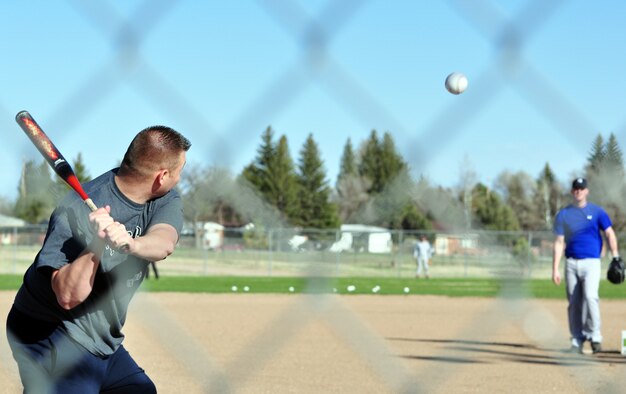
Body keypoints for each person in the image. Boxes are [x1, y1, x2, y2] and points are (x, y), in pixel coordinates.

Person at [6, 125, 191, 392]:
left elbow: (164, 242)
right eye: (180, 172)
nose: (180, 178)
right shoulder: (72, 209)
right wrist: (97, 243)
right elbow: (68, 295)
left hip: (101, 338)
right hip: (49, 329)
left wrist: (130, 242)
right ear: (162, 176)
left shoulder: (163, 198)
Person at [552, 177, 619, 355]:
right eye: (576, 188)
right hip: (571, 262)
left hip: (591, 262)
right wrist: (555, 268)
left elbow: (610, 233)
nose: (578, 191)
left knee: (590, 297)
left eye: (582, 188)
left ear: (587, 191)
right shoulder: (564, 214)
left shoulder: (597, 212)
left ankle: (595, 337)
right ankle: (576, 340)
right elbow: (559, 242)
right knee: (574, 303)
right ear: (572, 191)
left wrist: (616, 256)